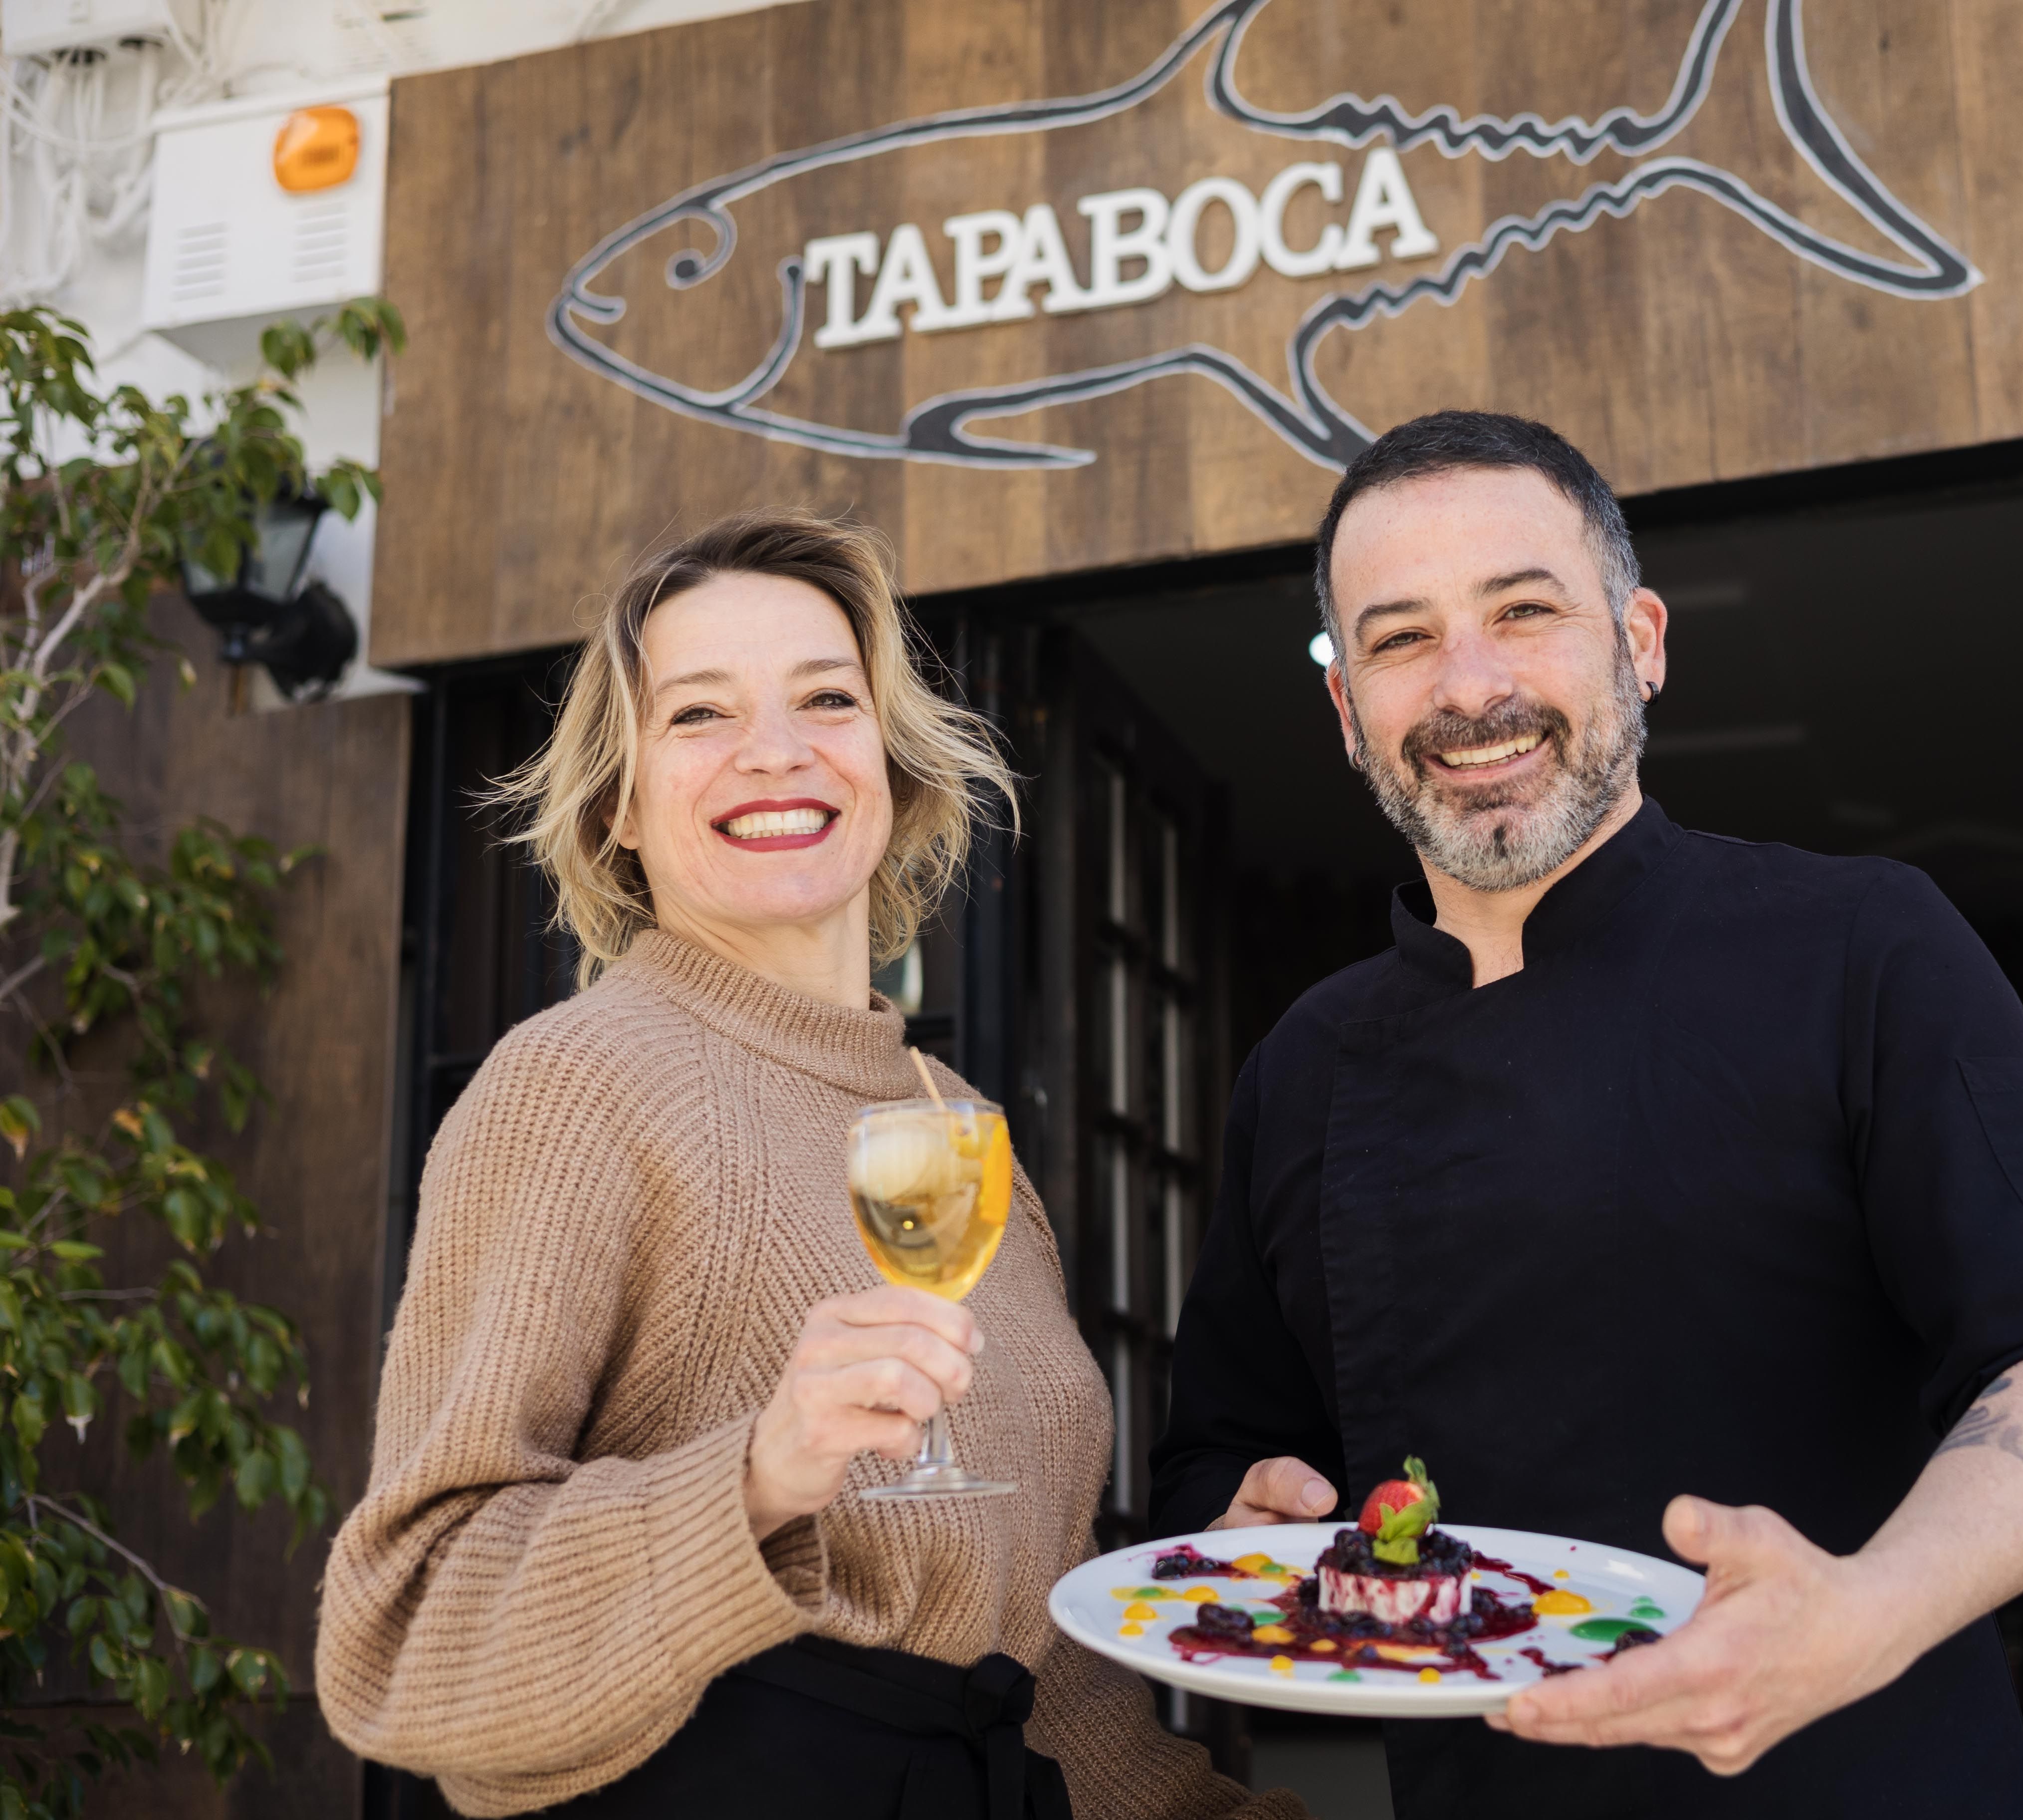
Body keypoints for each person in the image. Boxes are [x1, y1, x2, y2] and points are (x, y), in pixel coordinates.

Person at [1149, 413, 2023, 1817]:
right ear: (1345, 713)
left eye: (1526, 611)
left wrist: (1866, 1612)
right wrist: (1242, 1527)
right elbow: (1222, 1451)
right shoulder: (1303, 1069)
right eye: (1399, 640)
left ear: (1641, 641)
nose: (1471, 687)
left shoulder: (1866, 948)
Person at [318, 510, 1300, 1820]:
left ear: (889, 765)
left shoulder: (954, 1131)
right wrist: (759, 1476)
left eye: (827, 699)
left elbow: (1031, 1681)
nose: (774, 753)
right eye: (699, 716)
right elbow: (406, 1642)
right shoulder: (577, 1085)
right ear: (617, 804)